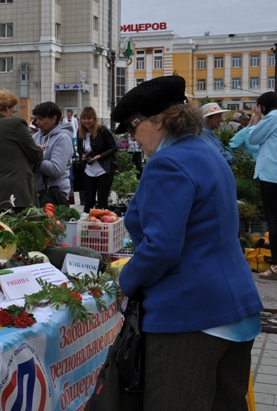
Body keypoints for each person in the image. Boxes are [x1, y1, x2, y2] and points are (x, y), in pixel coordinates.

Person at [112, 75, 263, 411]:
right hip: (233, 309)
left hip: (192, 315)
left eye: (133, 129)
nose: (133, 139)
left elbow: (161, 248)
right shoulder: (205, 150)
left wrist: (126, 280)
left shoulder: (168, 163)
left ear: (155, 121)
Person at [0, 89, 43, 213]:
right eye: (12, 111)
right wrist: (40, 149)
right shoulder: (16, 123)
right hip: (16, 195)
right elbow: (35, 156)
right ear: (7, 108)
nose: (12, 114)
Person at [248, 91, 277, 279]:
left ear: (263, 106)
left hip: (271, 175)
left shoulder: (272, 117)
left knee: (273, 220)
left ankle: (275, 266)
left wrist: (257, 118)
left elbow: (252, 138)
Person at [77, 106, 118, 213]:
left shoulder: (103, 130)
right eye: (84, 119)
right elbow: (80, 149)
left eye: (89, 118)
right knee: (88, 201)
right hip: (88, 170)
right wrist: (82, 155)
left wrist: (100, 156)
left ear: (94, 119)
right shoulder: (81, 133)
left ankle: (104, 225)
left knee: (102, 202)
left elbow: (114, 147)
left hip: (103, 169)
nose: (86, 121)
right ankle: (86, 223)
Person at [32, 102, 74, 206]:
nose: (37, 122)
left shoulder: (63, 138)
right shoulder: (36, 136)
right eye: (36, 119)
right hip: (38, 193)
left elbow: (56, 169)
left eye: (40, 119)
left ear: (53, 119)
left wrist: (34, 157)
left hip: (54, 194)